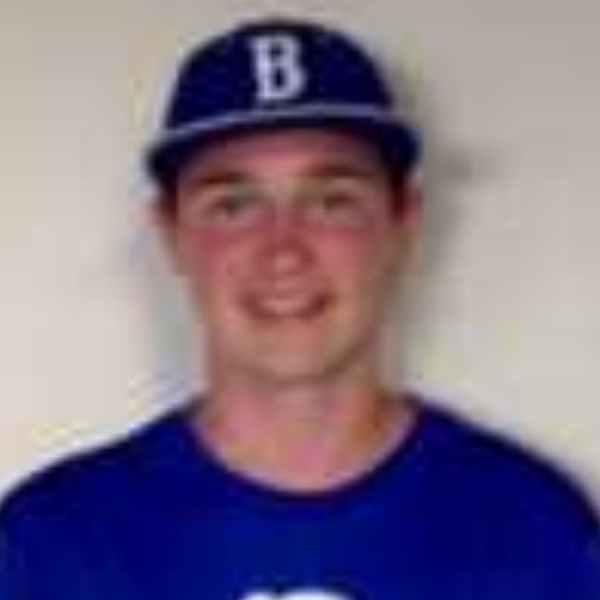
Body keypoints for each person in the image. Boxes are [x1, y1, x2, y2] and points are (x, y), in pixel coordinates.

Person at [1, 15, 599, 600]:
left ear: (404, 223)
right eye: (234, 206)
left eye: (332, 201)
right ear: (171, 232)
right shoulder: (47, 546)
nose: (283, 251)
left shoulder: (533, 530)